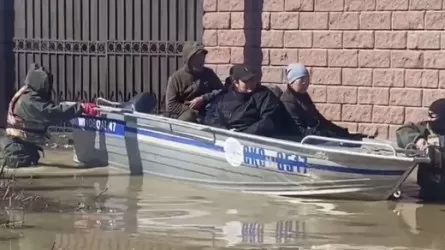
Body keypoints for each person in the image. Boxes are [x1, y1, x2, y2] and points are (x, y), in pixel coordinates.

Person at [0, 63, 98, 168]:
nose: (48, 88)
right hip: (18, 147)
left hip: (20, 142)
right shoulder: (30, 101)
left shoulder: (26, 92)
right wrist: (81, 108)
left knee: (33, 157)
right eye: (46, 84)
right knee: (28, 160)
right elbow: (53, 113)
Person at [202, 65, 301, 139]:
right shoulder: (224, 97)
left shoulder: (264, 95)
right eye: (246, 81)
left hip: (254, 140)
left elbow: (269, 120)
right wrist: (225, 132)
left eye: (252, 79)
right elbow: (211, 117)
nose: (251, 83)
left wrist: (243, 135)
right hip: (227, 139)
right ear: (236, 83)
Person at [280, 63, 372, 140]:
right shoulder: (288, 101)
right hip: (302, 142)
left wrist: (340, 132)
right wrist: (325, 134)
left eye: (307, 79)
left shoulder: (303, 96)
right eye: (302, 79)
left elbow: (319, 119)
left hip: (315, 136)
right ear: (292, 81)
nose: (306, 82)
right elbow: (298, 130)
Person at [396, 98, 445, 201]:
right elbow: (403, 132)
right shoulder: (425, 129)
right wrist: (417, 139)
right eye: (430, 115)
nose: (431, 119)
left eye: (434, 116)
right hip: (428, 190)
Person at [165, 41, 223, 122]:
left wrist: (203, 98)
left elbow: (221, 91)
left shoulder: (209, 73)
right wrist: (192, 108)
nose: (200, 62)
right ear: (188, 60)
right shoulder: (176, 78)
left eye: (202, 58)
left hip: (207, 114)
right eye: (197, 59)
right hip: (185, 118)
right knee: (189, 116)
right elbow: (171, 106)